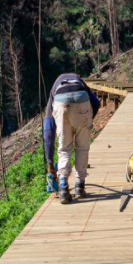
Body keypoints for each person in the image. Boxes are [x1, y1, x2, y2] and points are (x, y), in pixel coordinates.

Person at [43, 73, 100, 204]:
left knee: (64, 149)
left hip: (61, 103)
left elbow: (48, 131)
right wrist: (88, 121)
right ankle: (80, 187)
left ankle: (63, 188)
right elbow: (96, 103)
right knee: (82, 148)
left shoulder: (54, 90)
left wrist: (50, 161)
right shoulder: (80, 82)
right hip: (82, 100)